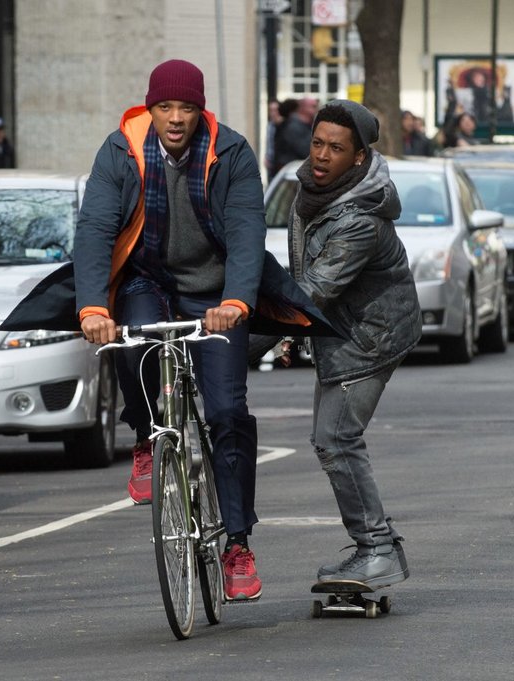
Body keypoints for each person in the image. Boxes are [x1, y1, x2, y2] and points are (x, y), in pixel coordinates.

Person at [74, 59, 320, 602]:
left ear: (201, 110)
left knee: (228, 411)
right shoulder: (121, 150)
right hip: (147, 279)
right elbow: (95, 227)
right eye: (166, 107)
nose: (176, 118)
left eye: (187, 107)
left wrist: (236, 300)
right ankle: (145, 436)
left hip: (216, 292)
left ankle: (236, 545)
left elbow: (246, 228)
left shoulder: (230, 152)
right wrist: (92, 307)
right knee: (129, 337)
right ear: (151, 108)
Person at [283, 99, 422, 587]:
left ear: (358, 157)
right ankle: (373, 546)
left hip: (370, 338)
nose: (321, 155)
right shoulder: (314, 191)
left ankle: (378, 549)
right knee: (331, 439)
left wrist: (244, 336)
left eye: (335, 148)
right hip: (342, 333)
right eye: (317, 142)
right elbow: (302, 281)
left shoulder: (359, 217)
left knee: (336, 438)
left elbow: (313, 291)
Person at [272, 96, 318, 177]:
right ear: (303, 108)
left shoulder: (307, 125)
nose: (316, 110)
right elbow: (306, 151)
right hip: (292, 174)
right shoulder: (293, 127)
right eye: (313, 106)